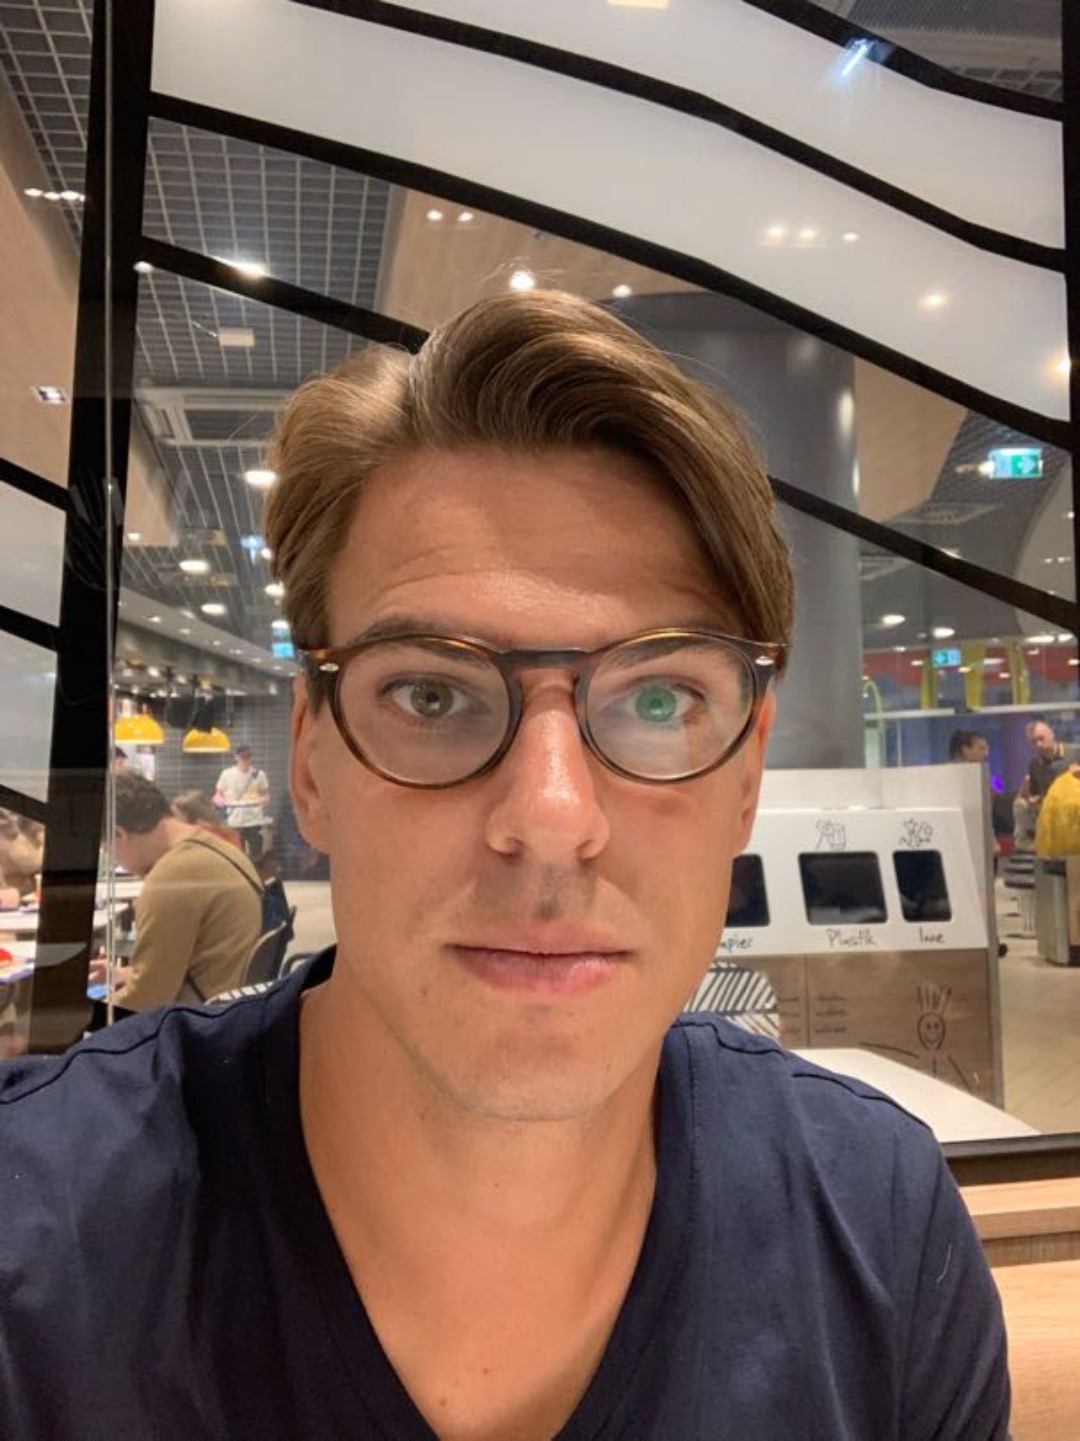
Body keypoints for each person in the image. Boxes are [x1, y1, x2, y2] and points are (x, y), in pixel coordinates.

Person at [0, 293, 1008, 1436]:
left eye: (658, 699)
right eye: (431, 694)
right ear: (311, 760)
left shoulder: (881, 1235)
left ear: (746, 777)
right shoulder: (36, 1254)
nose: (551, 816)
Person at [94, 771, 262, 1011]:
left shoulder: (171, 878)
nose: (117, 862)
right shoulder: (217, 849)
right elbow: (204, 960)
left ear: (118, 834)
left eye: (109, 851)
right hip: (229, 1011)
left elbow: (145, 1000)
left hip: (194, 1021)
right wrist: (129, 973)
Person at [213, 743, 271, 860]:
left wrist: (261, 801)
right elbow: (217, 795)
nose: (245, 760)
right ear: (236, 757)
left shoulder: (258, 774)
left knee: (256, 855)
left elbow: (266, 795)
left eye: (248, 756)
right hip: (234, 821)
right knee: (236, 855)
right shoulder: (227, 774)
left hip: (254, 820)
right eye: (242, 757)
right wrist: (222, 802)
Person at [171, 787, 243, 851]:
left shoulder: (194, 836)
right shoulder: (229, 832)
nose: (173, 820)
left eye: (175, 815)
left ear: (189, 814)